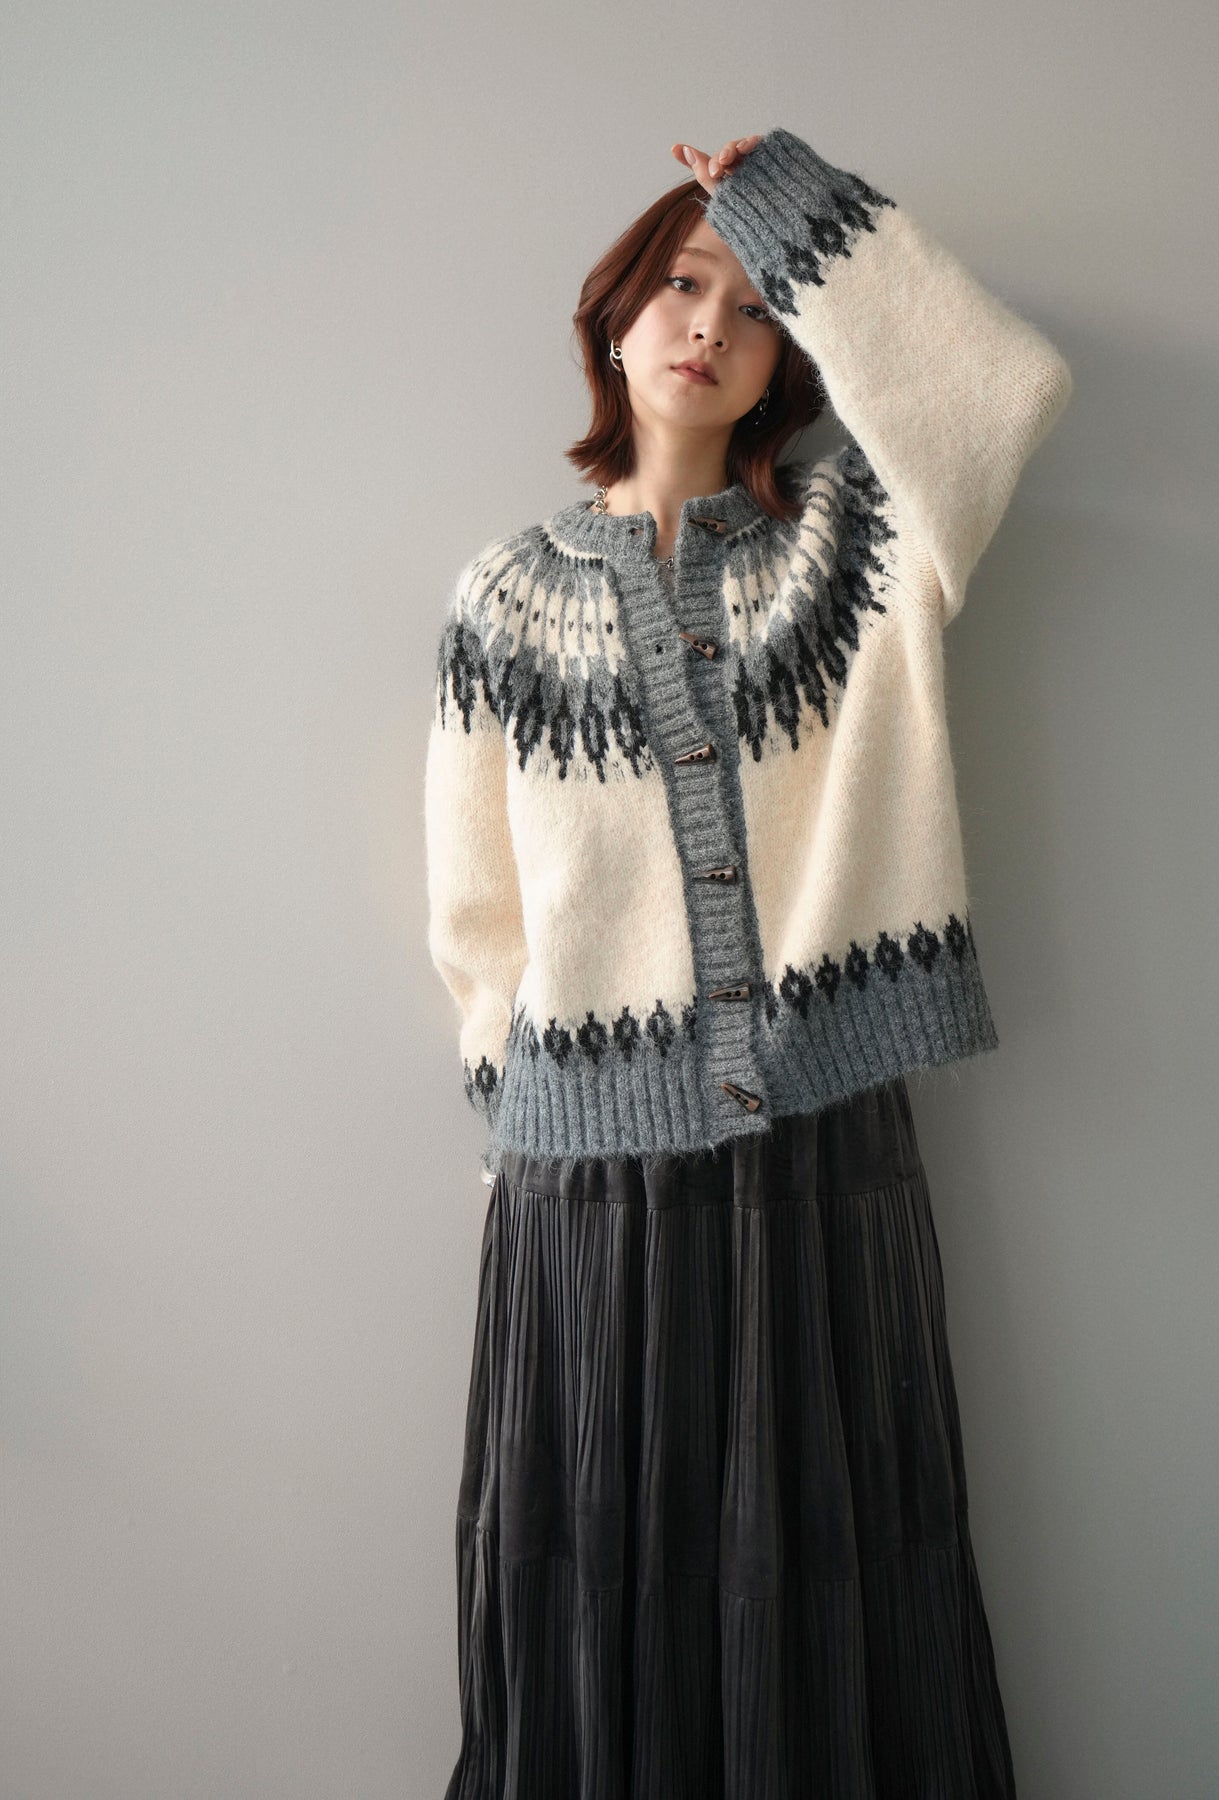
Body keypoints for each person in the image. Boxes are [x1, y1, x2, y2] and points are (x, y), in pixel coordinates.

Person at [428, 127, 1072, 1798]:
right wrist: (511, 1120)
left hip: (818, 1139)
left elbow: (998, 393)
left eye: (753, 302)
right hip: (582, 1177)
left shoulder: (853, 551)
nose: (708, 323)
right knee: (595, 1568)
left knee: (830, 1556)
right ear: (613, 314)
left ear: (790, 353)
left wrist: (786, 206)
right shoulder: (504, 598)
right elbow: (475, 909)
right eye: (677, 283)